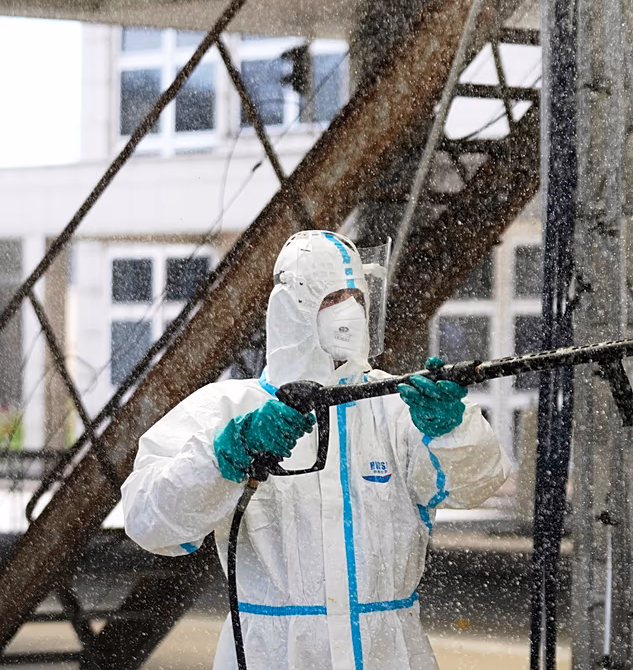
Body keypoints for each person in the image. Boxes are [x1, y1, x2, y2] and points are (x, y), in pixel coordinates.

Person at [121, 230, 510, 670]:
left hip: (391, 654)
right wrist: (226, 455)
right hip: (272, 657)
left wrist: (452, 431)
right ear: (290, 311)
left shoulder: (397, 409)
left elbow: (477, 484)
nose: (348, 314)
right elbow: (149, 521)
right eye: (330, 298)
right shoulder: (228, 409)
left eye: (355, 299)